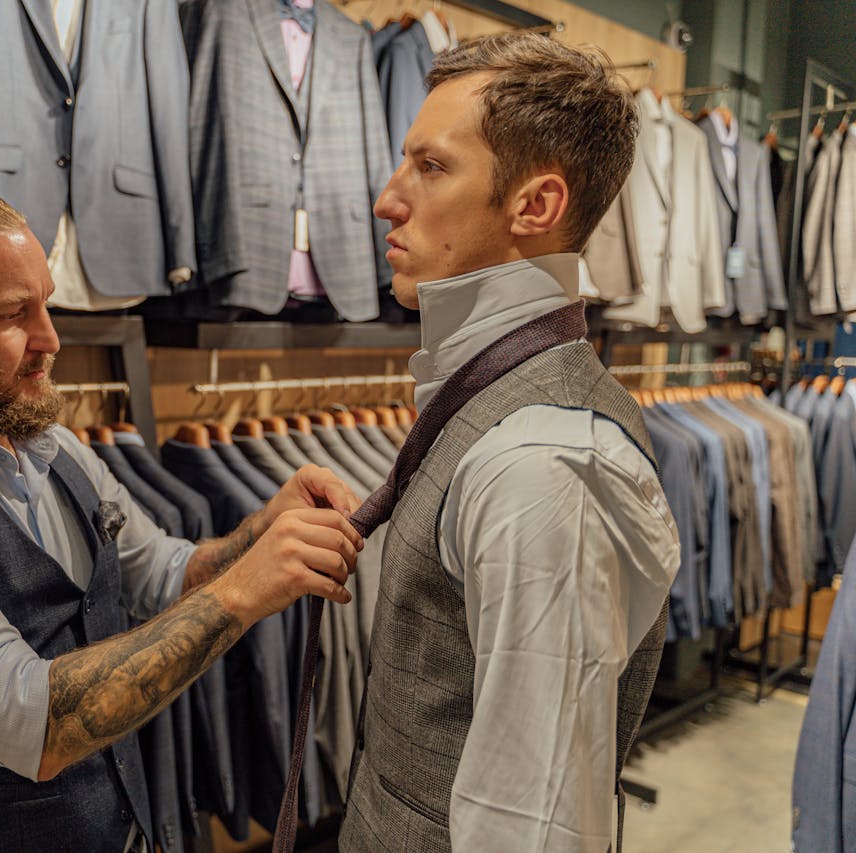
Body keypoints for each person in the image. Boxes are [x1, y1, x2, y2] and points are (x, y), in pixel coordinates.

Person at [0, 186, 363, 852]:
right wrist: (242, 592)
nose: (51, 339)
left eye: (46, 304)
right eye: (12, 315)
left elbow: (166, 575)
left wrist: (258, 533)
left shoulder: (55, 450)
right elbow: (32, 723)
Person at [338, 34, 681, 852]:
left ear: (535, 206)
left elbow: (533, 826)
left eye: (431, 167)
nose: (389, 198)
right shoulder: (489, 400)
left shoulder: (545, 466)